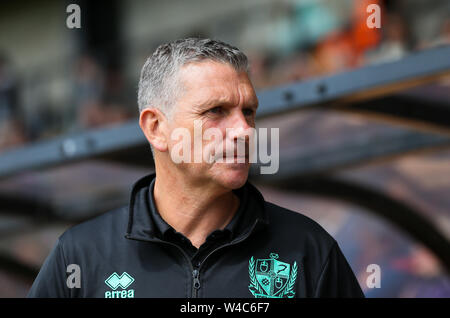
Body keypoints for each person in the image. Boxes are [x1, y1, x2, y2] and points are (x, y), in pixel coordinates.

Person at [27, 38, 364, 298]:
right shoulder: (81, 255)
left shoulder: (308, 249)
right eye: (216, 111)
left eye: (248, 112)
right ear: (157, 128)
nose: (245, 131)